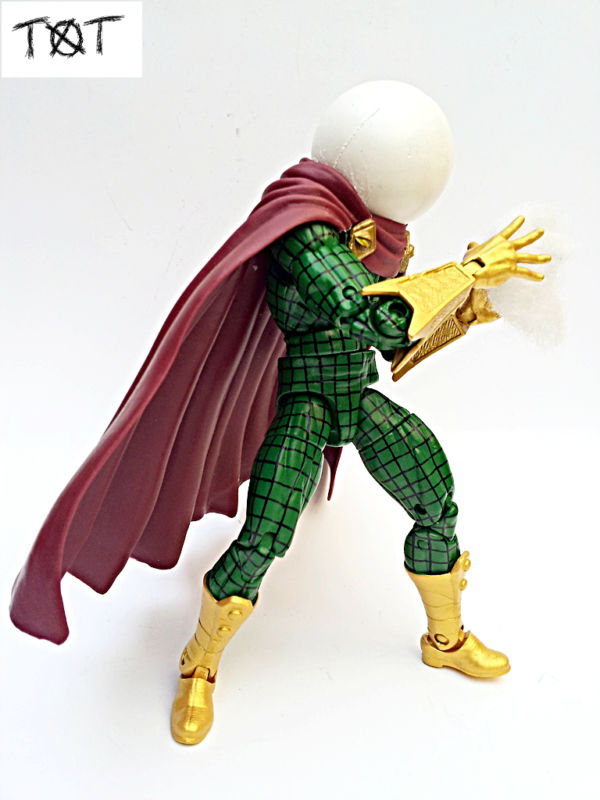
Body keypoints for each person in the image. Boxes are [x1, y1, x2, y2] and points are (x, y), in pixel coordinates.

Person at [9, 81, 549, 746]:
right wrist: (464, 272)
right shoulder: (305, 237)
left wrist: (467, 310)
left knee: (437, 505)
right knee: (263, 539)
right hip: (308, 406)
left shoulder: (382, 236)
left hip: (357, 398)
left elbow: (395, 346)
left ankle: (445, 638)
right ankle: (199, 663)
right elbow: (370, 314)